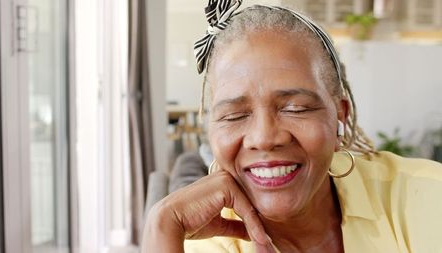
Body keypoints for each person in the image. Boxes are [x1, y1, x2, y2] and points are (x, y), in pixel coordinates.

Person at [142, 1, 442, 252]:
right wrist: (160, 226)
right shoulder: (204, 242)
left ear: (341, 117)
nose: (264, 137)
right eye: (234, 115)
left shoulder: (427, 196)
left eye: (296, 108)